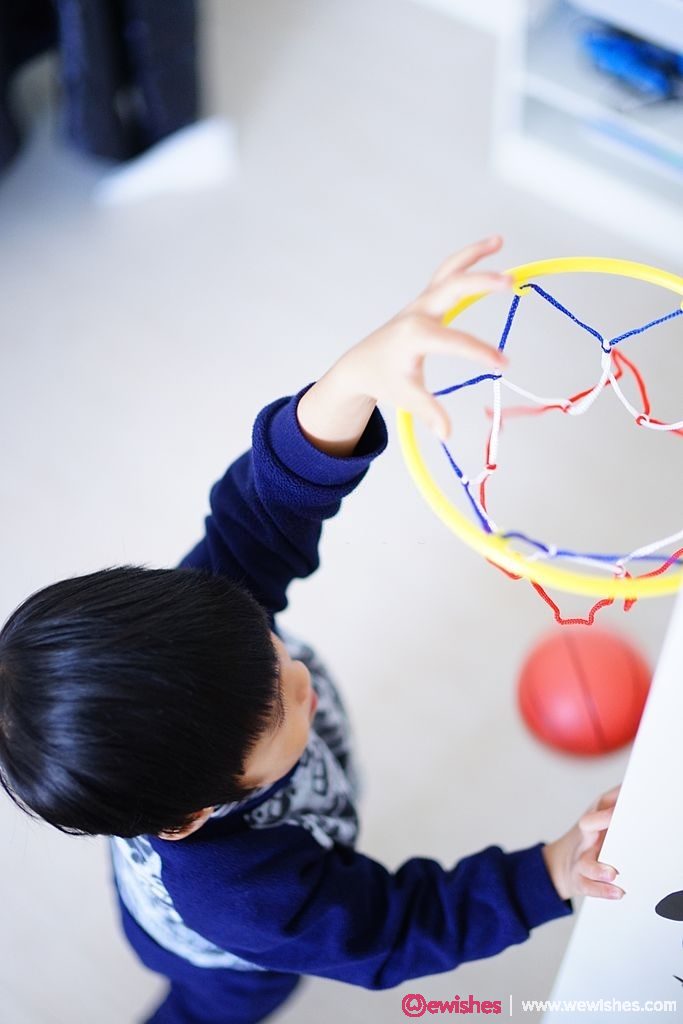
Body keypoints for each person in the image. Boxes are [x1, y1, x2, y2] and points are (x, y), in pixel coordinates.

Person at [0, 237, 623, 1024]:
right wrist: (550, 872)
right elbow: (391, 928)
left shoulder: (202, 638)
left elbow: (260, 513)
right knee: (206, 1010)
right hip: (222, 965)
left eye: (273, 652)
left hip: (220, 831)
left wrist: (351, 382)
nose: (303, 684)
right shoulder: (243, 899)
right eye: (282, 712)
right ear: (190, 817)